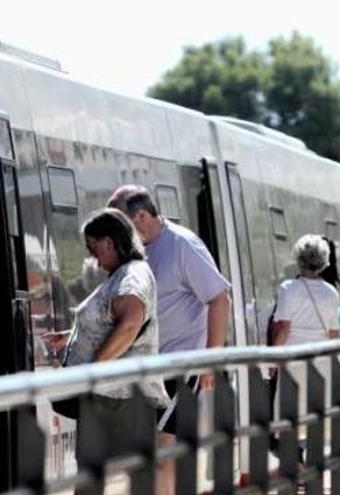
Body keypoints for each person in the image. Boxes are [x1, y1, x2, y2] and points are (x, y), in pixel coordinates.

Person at [107, 185, 230, 495]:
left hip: (178, 366)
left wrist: (210, 360)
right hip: (145, 368)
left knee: (164, 451)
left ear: (144, 216)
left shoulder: (181, 246)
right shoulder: (134, 253)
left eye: (121, 225)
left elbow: (219, 298)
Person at [47, 208, 169, 495]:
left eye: (93, 245)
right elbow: (112, 323)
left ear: (110, 242)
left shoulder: (133, 275)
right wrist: (71, 338)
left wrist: (96, 367)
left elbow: (130, 322)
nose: (91, 254)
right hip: (111, 396)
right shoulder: (122, 274)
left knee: (97, 476)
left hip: (119, 397)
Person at [272, 235, 340, 458]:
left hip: (293, 360)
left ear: (299, 259)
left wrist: (273, 359)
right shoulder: (331, 293)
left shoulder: (288, 288)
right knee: (314, 414)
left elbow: (283, 328)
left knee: (290, 415)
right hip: (320, 362)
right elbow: (334, 334)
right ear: (323, 262)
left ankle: (296, 464)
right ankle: (311, 462)